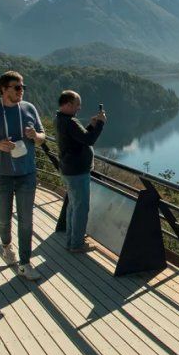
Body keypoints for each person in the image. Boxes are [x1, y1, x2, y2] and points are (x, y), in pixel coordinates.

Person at [0, 71, 47, 281]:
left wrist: (36, 136)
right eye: (17, 87)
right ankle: (7, 246)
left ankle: (25, 263)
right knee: (4, 219)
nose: (21, 90)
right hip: (1, 175)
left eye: (23, 87)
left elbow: (43, 137)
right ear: (4, 89)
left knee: (26, 220)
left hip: (27, 173)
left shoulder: (29, 108)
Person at [55, 90, 106, 253]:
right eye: (77, 104)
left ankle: (71, 239)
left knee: (73, 206)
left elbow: (79, 138)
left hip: (69, 169)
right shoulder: (70, 121)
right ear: (69, 104)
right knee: (81, 207)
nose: (79, 108)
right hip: (77, 172)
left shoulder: (60, 119)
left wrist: (91, 125)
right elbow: (89, 140)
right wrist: (101, 124)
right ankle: (76, 244)